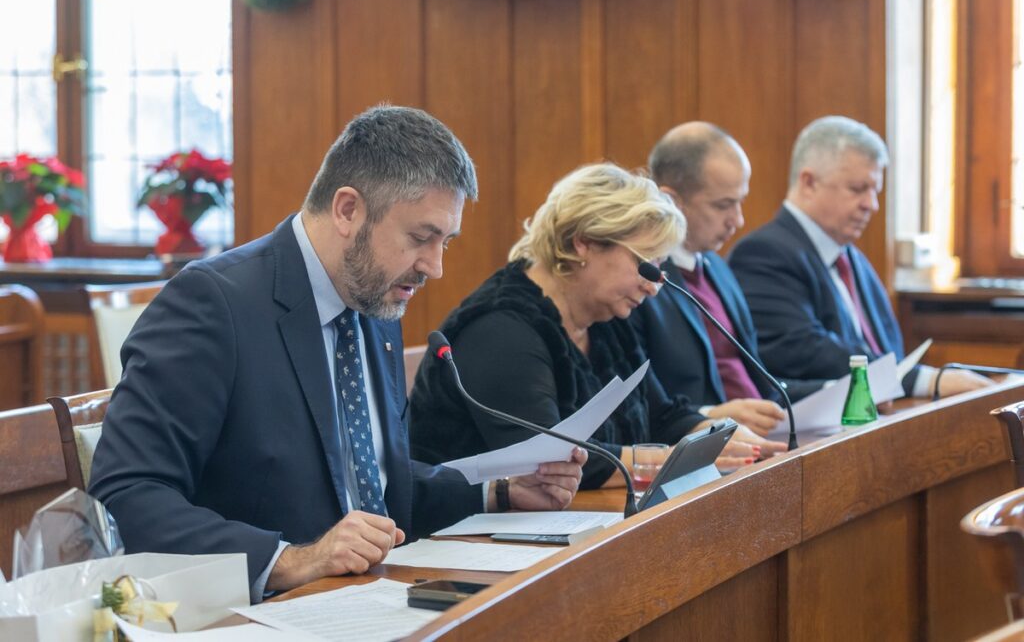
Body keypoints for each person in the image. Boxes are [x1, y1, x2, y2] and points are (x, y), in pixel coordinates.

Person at [88, 105, 586, 603]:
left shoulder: (372, 301)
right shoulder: (213, 303)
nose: (434, 267)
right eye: (420, 238)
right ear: (348, 210)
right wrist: (289, 559)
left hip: (369, 599)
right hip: (257, 615)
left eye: (445, 243)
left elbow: (363, 479)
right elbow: (126, 496)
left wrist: (494, 492)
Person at [409, 163, 785, 490]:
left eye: (660, 267)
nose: (653, 286)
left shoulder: (607, 318)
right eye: (645, 264)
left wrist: (721, 440)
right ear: (583, 243)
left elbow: (663, 415)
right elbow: (549, 459)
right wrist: (676, 460)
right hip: (479, 544)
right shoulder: (500, 328)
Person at [729, 115, 993, 398]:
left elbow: (886, 347)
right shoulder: (763, 254)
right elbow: (800, 349)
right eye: (857, 189)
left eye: (874, 191)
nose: (871, 205)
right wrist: (918, 380)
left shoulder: (851, 257)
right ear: (808, 183)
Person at [632, 122, 821, 438]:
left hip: (764, 438)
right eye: (723, 205)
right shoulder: (640, 281)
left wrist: (833, 390)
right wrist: (710, 417)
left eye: (740, 201)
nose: (739, 220)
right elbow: (638, 406)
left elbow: (759, 378)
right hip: (700, 452)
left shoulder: (718, 268)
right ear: (672, 202)